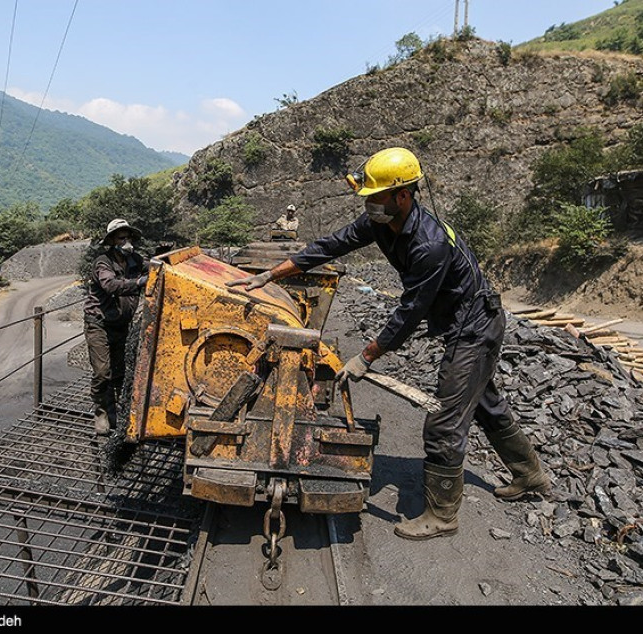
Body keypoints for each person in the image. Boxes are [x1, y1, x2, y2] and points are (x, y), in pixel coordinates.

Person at [225, 147, 550, 540]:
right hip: (460, 322)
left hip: (476, 327)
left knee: (445, 421)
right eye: (367, 198)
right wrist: (269, 277)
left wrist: (366, 356)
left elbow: (410, 312)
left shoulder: (429, 245)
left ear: (403, 195)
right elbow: (329, 246)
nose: (369, 206)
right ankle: (529, 475)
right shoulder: (381, 223)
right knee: (484, 402)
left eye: (376, 197)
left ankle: (443, 516)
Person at [83, 218, 148, 436]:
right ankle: (101, 412)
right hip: (99, 323)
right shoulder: (104, 262)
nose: (127, 241)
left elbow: (154, 268)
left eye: (128, 237)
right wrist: (138, 283)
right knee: (102, 371)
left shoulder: (135, 260)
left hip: (121, 324)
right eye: (122, 237)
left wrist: (161, 258)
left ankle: (117, 412)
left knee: (120, 371)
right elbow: (110, 285)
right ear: (112, 241)